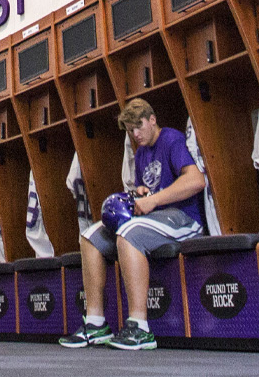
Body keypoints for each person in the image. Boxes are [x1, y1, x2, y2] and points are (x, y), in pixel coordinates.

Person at [59, 99, 204, 351]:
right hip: (155, 221)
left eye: (139, 126)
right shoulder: (141, 153)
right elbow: (148, 192)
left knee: (127, 233)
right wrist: (141, 192)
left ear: (152, 119)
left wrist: (154, 199)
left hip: (184, 218)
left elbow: (196, 180)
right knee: (90, 236)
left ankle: (139, 327)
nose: (135, 134)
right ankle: (95, 324)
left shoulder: (171, 139)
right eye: (130, 129)